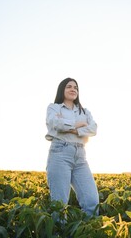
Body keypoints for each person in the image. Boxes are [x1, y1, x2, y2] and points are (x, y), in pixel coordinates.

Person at [45, 77, 99, 216]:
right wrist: (79, 124)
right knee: (59, 205)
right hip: (60, 153)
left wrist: (72, 128)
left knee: (92, 201)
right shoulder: (54, 107)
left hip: (81, 156)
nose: (73, 89)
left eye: (75, 87)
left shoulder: (85, 111)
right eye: (69, 86)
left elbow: (93, 129)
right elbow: (55, 123)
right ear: (62, 89)